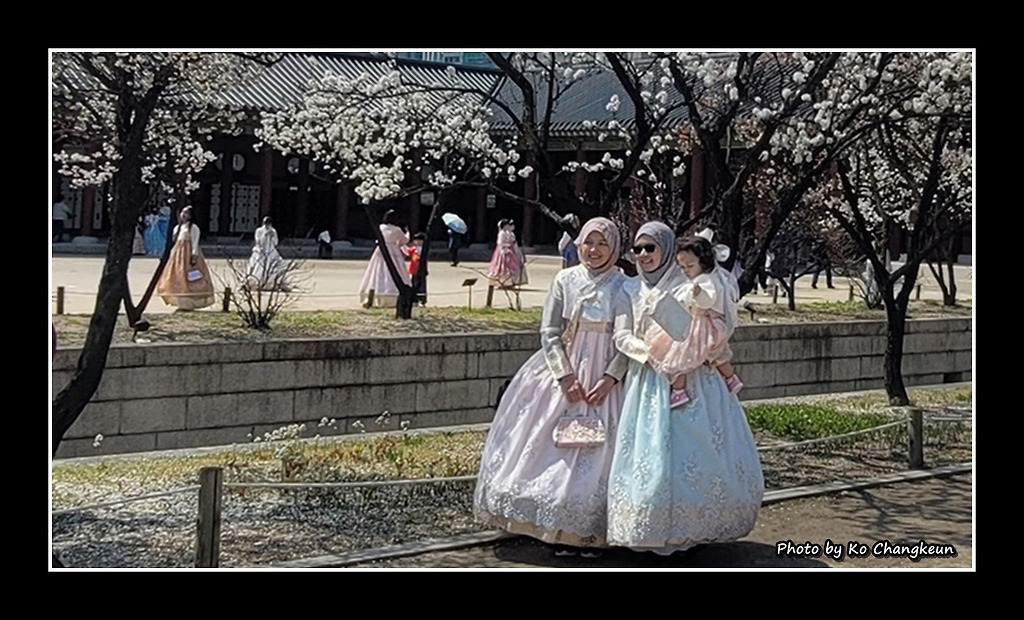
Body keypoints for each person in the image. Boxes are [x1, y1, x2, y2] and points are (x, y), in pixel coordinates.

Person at [474, 217, 633, 557]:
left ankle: (593, 531)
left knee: (601, 451)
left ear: (615, 248)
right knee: (552, 445)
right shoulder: (565, 279)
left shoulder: (624, 285)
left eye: (602, 244)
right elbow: (549, 331)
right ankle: (557, 529)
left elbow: (627, 337)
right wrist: (564, 376)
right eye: (588, 243)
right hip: (566, 369)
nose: (593, 250)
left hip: (606, 376)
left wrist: (610, 377)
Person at [606, 220, 764, 555]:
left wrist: (700, 352)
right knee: (650, 453)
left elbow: (711, 323)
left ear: (666, 249)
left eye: (651, 247)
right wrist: (651, 354)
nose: (643, 254)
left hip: (695, 376)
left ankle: (692, 529)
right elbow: (621, 335)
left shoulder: (688, 280)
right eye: (638, 248)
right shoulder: (629, 288)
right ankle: (650, 527)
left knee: (696, 447)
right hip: (649, 378)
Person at [658, 233, 744, 408]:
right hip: (695, 322)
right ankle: (730, 378)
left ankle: (679, 390)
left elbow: (707, 301)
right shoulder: (692, 280)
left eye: (690, 266)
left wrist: (697, 293)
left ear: (703, 262)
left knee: (680, 355)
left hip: (700, 325)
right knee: (718, 355)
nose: (685, 270)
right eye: (682, 267)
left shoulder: (706, 280)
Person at [156, 206, 216, 311]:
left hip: (187, 253)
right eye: (182, 213)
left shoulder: (193, 227)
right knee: (177, 276)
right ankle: (180, 301)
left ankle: (190, 301)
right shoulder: (177, 227)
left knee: (190, 277)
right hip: (178, 254)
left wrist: (194, 255)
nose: (184, 215)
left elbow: (195, 242)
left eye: (186, 213)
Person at [358, 209, 411, 308]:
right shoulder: (397, 229)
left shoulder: (380, 227)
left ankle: (373, 295)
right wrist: (408, 233)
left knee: (377, 269)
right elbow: (404, 240)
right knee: (395, 270)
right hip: (393, 249)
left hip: (381, 249)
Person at [246, 216, 288, 291]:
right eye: (266, 223)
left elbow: (275, 242)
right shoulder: (259, 230)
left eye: (268, 223)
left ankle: (274, 282)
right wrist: (264, 236)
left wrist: (272, 236)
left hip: (271, 250)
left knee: (278, 264)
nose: (267, 225)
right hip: (261, 250)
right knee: (257, 266)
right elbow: (258, 241)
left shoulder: (273, 230)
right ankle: (255, 281)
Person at [486, 219, 528, 289]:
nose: (508, 226)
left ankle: (510, 283)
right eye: (507, 225)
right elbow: (500, 243)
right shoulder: (501, 233)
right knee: (502, 267)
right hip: (503, 252)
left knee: (512, 266)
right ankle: (501, 282)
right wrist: (506, 247)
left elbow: (514, 242)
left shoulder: (510, 233)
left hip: (511, 252)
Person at [407, 232, 428, 306]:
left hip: (422, 270)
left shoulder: (424, 250)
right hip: (413, 270)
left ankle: (422, 300)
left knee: (422, 285)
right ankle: (414, 299)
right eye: (416, 240)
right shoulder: (413, 249)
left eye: (420, 240)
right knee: (414, 284)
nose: (418, 242)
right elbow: (407, 251)